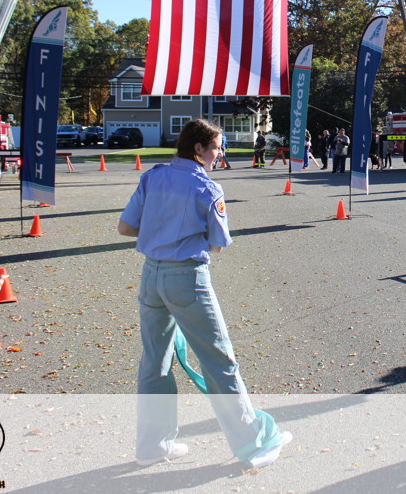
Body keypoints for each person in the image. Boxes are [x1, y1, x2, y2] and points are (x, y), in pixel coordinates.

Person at [117, 118, 292, 469]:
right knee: (218, 361)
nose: (220, 153)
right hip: (186, 278)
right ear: (198, 148)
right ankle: (252, 442)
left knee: (154, 363)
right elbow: (217, 244)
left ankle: (153, 445)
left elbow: (125, 227)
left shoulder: (152, 177)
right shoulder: (207, 188)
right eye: (216, 147)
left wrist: (159, 231)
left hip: (151, 275)